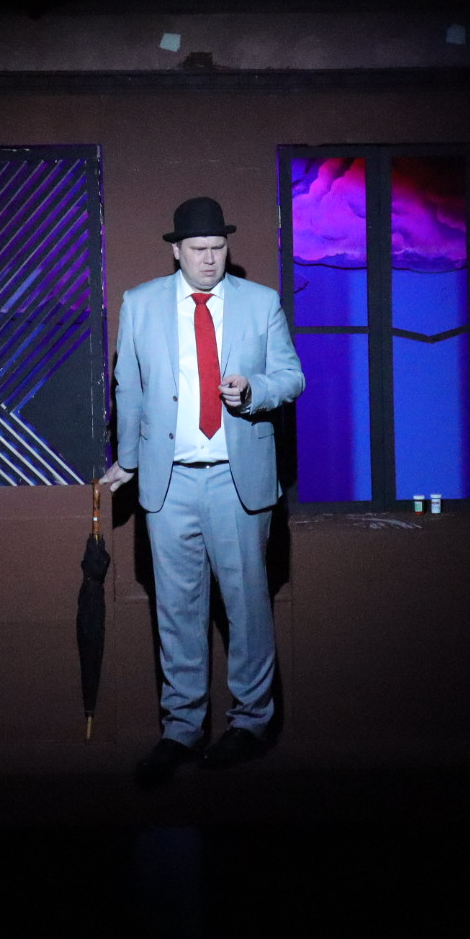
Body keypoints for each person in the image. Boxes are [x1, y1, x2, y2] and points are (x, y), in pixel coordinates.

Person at [101, 196, 305, 787]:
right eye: (198, 249)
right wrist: (129, 461)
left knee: (247, 607)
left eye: (218, 248)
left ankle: (251, 723)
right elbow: (128, 385)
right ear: (177, 252)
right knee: (177, 610)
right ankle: (181, 729)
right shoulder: (141, 303)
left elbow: (292, 376)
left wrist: (254, 389)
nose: (210, 259)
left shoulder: (260, 302)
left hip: (237, 480)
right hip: (170, 482)